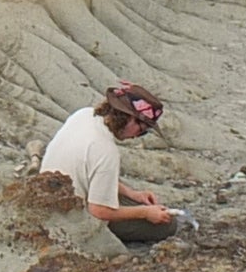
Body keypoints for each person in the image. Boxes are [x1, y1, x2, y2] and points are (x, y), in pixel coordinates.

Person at [39, 83, 186, 245]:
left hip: (47, 193)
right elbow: (98, 211)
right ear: (130, 118)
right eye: (142, 129)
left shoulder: (83, 115)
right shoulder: (106, 150)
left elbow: (90, 171)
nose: (138, 136)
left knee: (122, 192)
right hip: (71, 216)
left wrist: (132, 194)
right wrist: (145, 213)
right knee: (167, 226)